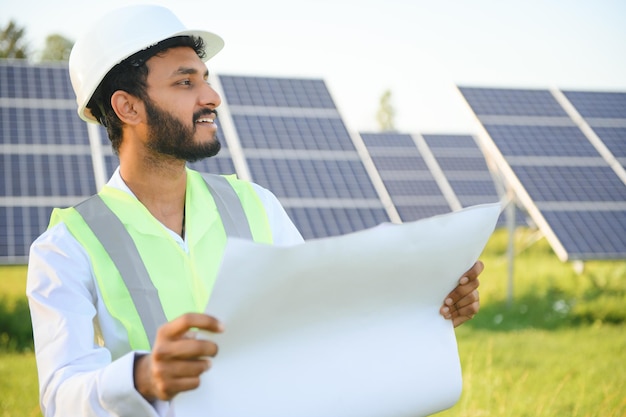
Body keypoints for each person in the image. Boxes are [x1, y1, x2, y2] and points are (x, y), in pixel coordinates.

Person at [26, 5, 482, 417]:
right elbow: (61, 394)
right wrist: (140, 378)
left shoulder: (256, 204)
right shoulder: (66, 246)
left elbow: (321, 324)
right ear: (127, 106)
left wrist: (424, 309)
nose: (211, 97)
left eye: (205, 78)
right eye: (186, 82)